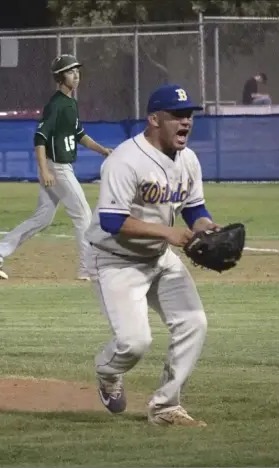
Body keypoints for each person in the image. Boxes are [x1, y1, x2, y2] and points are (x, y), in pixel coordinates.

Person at [84, 84, 221, 426]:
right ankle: (107, 371)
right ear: (154, 119)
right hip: (116, 260)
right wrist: (170, 233)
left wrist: (206, 227)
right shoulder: (125, 160)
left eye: (189, 115)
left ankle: (165, 407)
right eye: (177, 115)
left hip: (159, 258)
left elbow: (194, 208)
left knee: (194, 322)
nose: (185, 121)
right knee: (134, 343)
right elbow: (113, 220)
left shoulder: (188, 159)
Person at [0, 54, 112, 281]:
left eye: (77, 71)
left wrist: (103, 151)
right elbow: (40, 138)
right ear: (60, 78)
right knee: (82, 214)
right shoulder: (55, 105)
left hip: (59, 167)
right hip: (57, 168)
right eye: (71, 72)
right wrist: (44, 170)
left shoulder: (70, 103)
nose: (76, 75)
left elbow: (79, 135)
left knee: (43, 218)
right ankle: (87, 269)